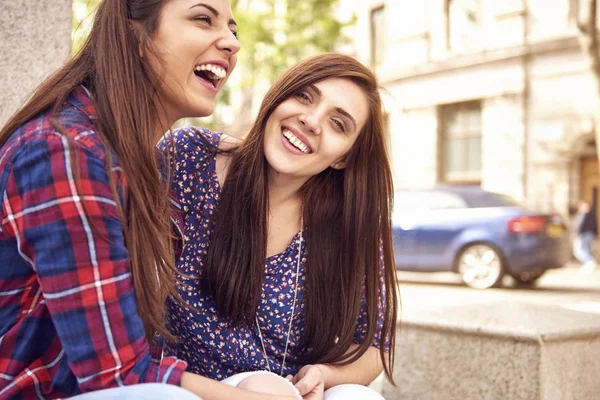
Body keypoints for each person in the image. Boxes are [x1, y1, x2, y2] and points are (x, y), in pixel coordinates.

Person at [0, 1, 299, 399]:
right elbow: (119, 377)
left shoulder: (148, 163)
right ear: (134, 35)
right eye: (202, 19)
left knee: (277, 386)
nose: (231, 43)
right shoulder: (65, 151)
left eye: (233, 29)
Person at [163, 53, 399, 399]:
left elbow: (375, 345)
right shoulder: (190, 160)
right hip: (181, 385)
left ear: (344, 157)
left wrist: (322, 374)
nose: (311, 121)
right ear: (278, 96)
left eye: (339, 124)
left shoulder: (346, 224)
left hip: (285, 389)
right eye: (304, 96)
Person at [573, 200, 598, 274]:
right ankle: (589, 263)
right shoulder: (592, 214)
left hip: (584, 234)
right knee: (587, 249)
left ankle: (589, 261)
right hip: (590, 234)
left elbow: (579, 225)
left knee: (580, 249)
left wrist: (576, 233)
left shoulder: (583, 214)